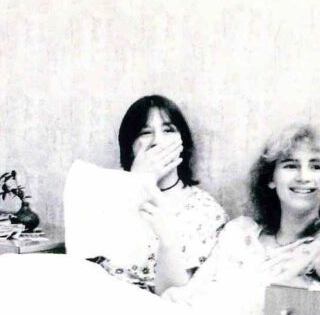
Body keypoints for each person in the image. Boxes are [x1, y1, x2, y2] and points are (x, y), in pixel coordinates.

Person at [164, 122, 320, 311]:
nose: (303, 177)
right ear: (271, 179)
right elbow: (191, 291)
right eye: (290, 165)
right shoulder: (239, 232)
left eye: (316, 167)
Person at [91, 95, 228, 295]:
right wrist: (136, 184)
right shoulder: (107, 196)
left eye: (168, 130)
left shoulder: (205, 210)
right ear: (130, 146)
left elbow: (176, 295)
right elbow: (87, 261)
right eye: (145, 132)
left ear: (183, 142)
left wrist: (167, 241)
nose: (157, 141)